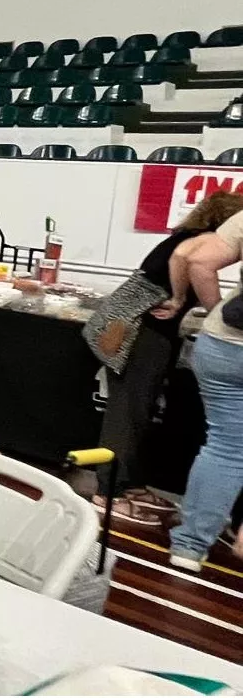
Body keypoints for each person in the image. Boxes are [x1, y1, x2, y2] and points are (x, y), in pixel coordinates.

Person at [95, 191, 243, 525]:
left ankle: (128, 483)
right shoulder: (202, 240)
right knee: (128, 412)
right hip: (142, 331)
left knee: (136, 408)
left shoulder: (186, 235)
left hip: (132, 325)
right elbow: (184, 259)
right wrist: (198, 303)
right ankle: (108, 491)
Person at [167, 206, 243, 572]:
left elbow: (195, 258)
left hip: (224, 344)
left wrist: (215, 308)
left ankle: (189, 547)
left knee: (225, 448)